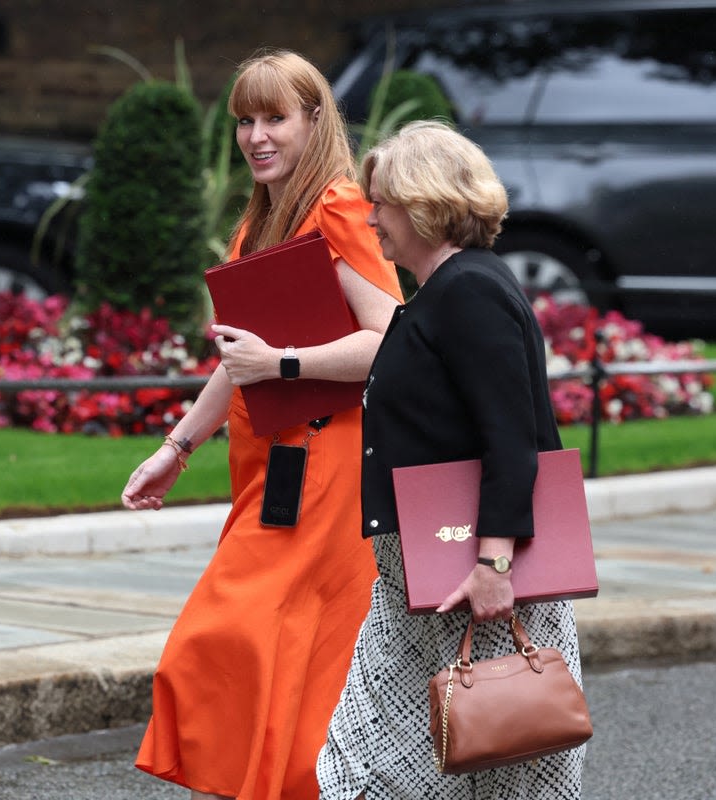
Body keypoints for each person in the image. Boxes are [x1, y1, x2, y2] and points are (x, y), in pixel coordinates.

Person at [121, 50, 403, 800]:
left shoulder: (338, 207)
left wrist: (283, 363)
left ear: (315, 120)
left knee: (230, 634)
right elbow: (235, 359)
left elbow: (389, 337)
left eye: (275, 117)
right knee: (283, 649)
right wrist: (176, 448)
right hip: (270, 462)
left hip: (324, 461)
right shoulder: (261, 218)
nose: (256, 135)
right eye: (245, 120)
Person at [317, 120, 585, 799]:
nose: (370, 217)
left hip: (478, 580)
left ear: (423, 202)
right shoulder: (441, 294)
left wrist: (495, 564)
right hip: (417, 579)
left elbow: (510, 437)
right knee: (362, 760)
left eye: (380, 203)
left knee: (505, 764)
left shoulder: (470, 291)